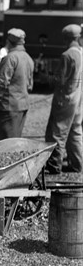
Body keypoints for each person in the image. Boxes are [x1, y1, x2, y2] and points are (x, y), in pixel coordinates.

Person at [44, 24, 83, 174]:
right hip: (78, 100)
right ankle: (78, 166)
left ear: (65, 38)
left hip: (65, 99)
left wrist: (47, 77)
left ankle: (54, 167)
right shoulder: (81, 52)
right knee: (75, 132)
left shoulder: (67, 55)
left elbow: (59, 80)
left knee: (57, 133)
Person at [0, 28, 34, 142]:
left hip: (8, 107)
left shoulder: (10, 58)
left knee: (1, 142)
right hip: (22, 105)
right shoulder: (28, 58)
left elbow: (1, 82)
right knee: (15, 139)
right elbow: (30, 85)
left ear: (9, 41)